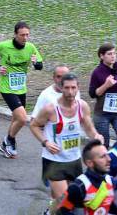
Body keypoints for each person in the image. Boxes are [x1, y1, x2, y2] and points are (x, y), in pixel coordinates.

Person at [30, 73, 102, 214]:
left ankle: (50, 212)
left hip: (74, 160)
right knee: (66, 201)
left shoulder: (82, 106)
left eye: (73, 88)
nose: (70, 92)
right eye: (67, 88)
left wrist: (95, 135)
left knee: (68, 200)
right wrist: (45, 142)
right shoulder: (51, 109)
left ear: (78, 88)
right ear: (60, 88)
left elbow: (88, 126)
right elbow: (34, 125)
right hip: (53, 161)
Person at [0, 21, 44, 159]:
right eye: (22, 35)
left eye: (27, 35)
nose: (25, 38)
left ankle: (5, 145)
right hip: (6, 87)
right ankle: (9, 140)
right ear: (15, 34)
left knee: (16, 119)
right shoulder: (4, 46)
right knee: (23, 118)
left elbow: (40, 66)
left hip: (20, 87)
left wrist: (36, 63)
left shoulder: (30, 47)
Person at [56, 140, 117, 215]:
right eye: (103, 157)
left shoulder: (109, 180)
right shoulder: (78, 187)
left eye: (107, 155)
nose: (109, 159)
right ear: (90, 163)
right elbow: (61, 211)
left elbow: (106, 203)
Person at [90, 44, 117, 142]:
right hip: (102, 113)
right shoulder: (97, 72)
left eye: (114, 53)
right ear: (102, 56)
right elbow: (92, 93)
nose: (113, 56)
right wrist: (105, 85)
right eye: (109, 54)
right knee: (104, 142)